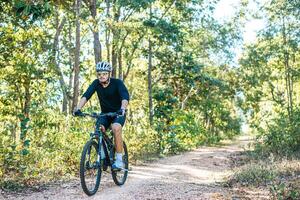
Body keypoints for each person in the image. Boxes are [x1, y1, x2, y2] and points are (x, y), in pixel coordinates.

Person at [73, 61, 129, 170]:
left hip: (118, 113)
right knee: (98, 130)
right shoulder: (96, 84)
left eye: (104, 74)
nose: (101, 76)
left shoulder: (117, 83)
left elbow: (125, 96)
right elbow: (86, 95)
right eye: (99, 74)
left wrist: (122, 108)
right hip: (105, 114)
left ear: (109, 74)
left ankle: (118, 161)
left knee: (116, 127)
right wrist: (78, 108)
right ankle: (103, 157)